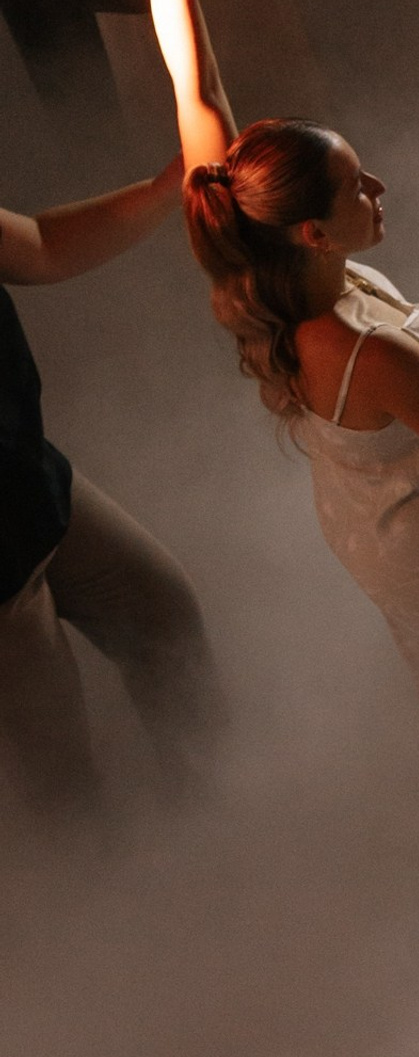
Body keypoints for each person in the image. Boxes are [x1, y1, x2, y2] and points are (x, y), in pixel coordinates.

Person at [154, 0, 419, 804]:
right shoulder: (359, 352)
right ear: (313, 232)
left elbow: (199, 97)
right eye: (353, 187)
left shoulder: (247, 235)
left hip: (371, 514)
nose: (377, 188)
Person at [2, 159, 225, 823]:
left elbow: (42, 245)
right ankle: (116, 906)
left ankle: (221, 818)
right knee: (62, 772)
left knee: (165, 617)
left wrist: (168, 189)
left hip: (31, 483)